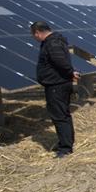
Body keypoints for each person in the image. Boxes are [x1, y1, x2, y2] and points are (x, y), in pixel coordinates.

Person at [31, 21, 80, 158]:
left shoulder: (52, 43)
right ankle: (66, 142)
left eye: (34, 35)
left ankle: (65, 148)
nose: (34, 38)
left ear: (37, 32)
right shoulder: (56, 41)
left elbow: (60, 61)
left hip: (56, 85)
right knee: (63, 114)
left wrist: (70, 72)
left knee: (60, 115)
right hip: (59, 83)